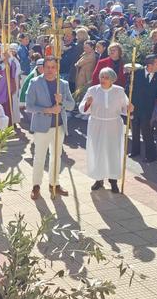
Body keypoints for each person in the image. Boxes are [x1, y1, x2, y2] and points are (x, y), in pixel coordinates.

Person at [25, 56, 75, 200]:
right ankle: (36, 186)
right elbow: (29, 106)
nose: (50, 70)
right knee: (39, 157)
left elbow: (71, 105)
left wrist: (62, 101)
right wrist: (48, 110)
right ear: (42, 67)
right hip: (42, 126)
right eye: (47, 67)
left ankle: (54, 184)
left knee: (56, 156)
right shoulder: (35, 83)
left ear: (57, 69)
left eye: (53, 67)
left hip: (59, 127)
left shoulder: (63, 84)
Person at [79, 68, 133, 193]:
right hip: (96, 124)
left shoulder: (119, 91)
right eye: (101, 77)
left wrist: (130, 108)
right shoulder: (92, 90)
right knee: (98, 151)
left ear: (112, 79)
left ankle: (113, 180)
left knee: (113, 151)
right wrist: (87, 103)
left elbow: (125, 108)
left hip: (113, 125)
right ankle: (98, 179)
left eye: (106, 77)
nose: (103, 80)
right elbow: (82, 108)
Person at [129, 55, 157, 163]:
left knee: (146, 131)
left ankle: (151, 156)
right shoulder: (136, 73)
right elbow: (128, 88)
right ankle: (135, 151)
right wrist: (128, 102)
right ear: (150, 65)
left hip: (148, 108)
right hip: (135, 106)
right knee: (134, 128)